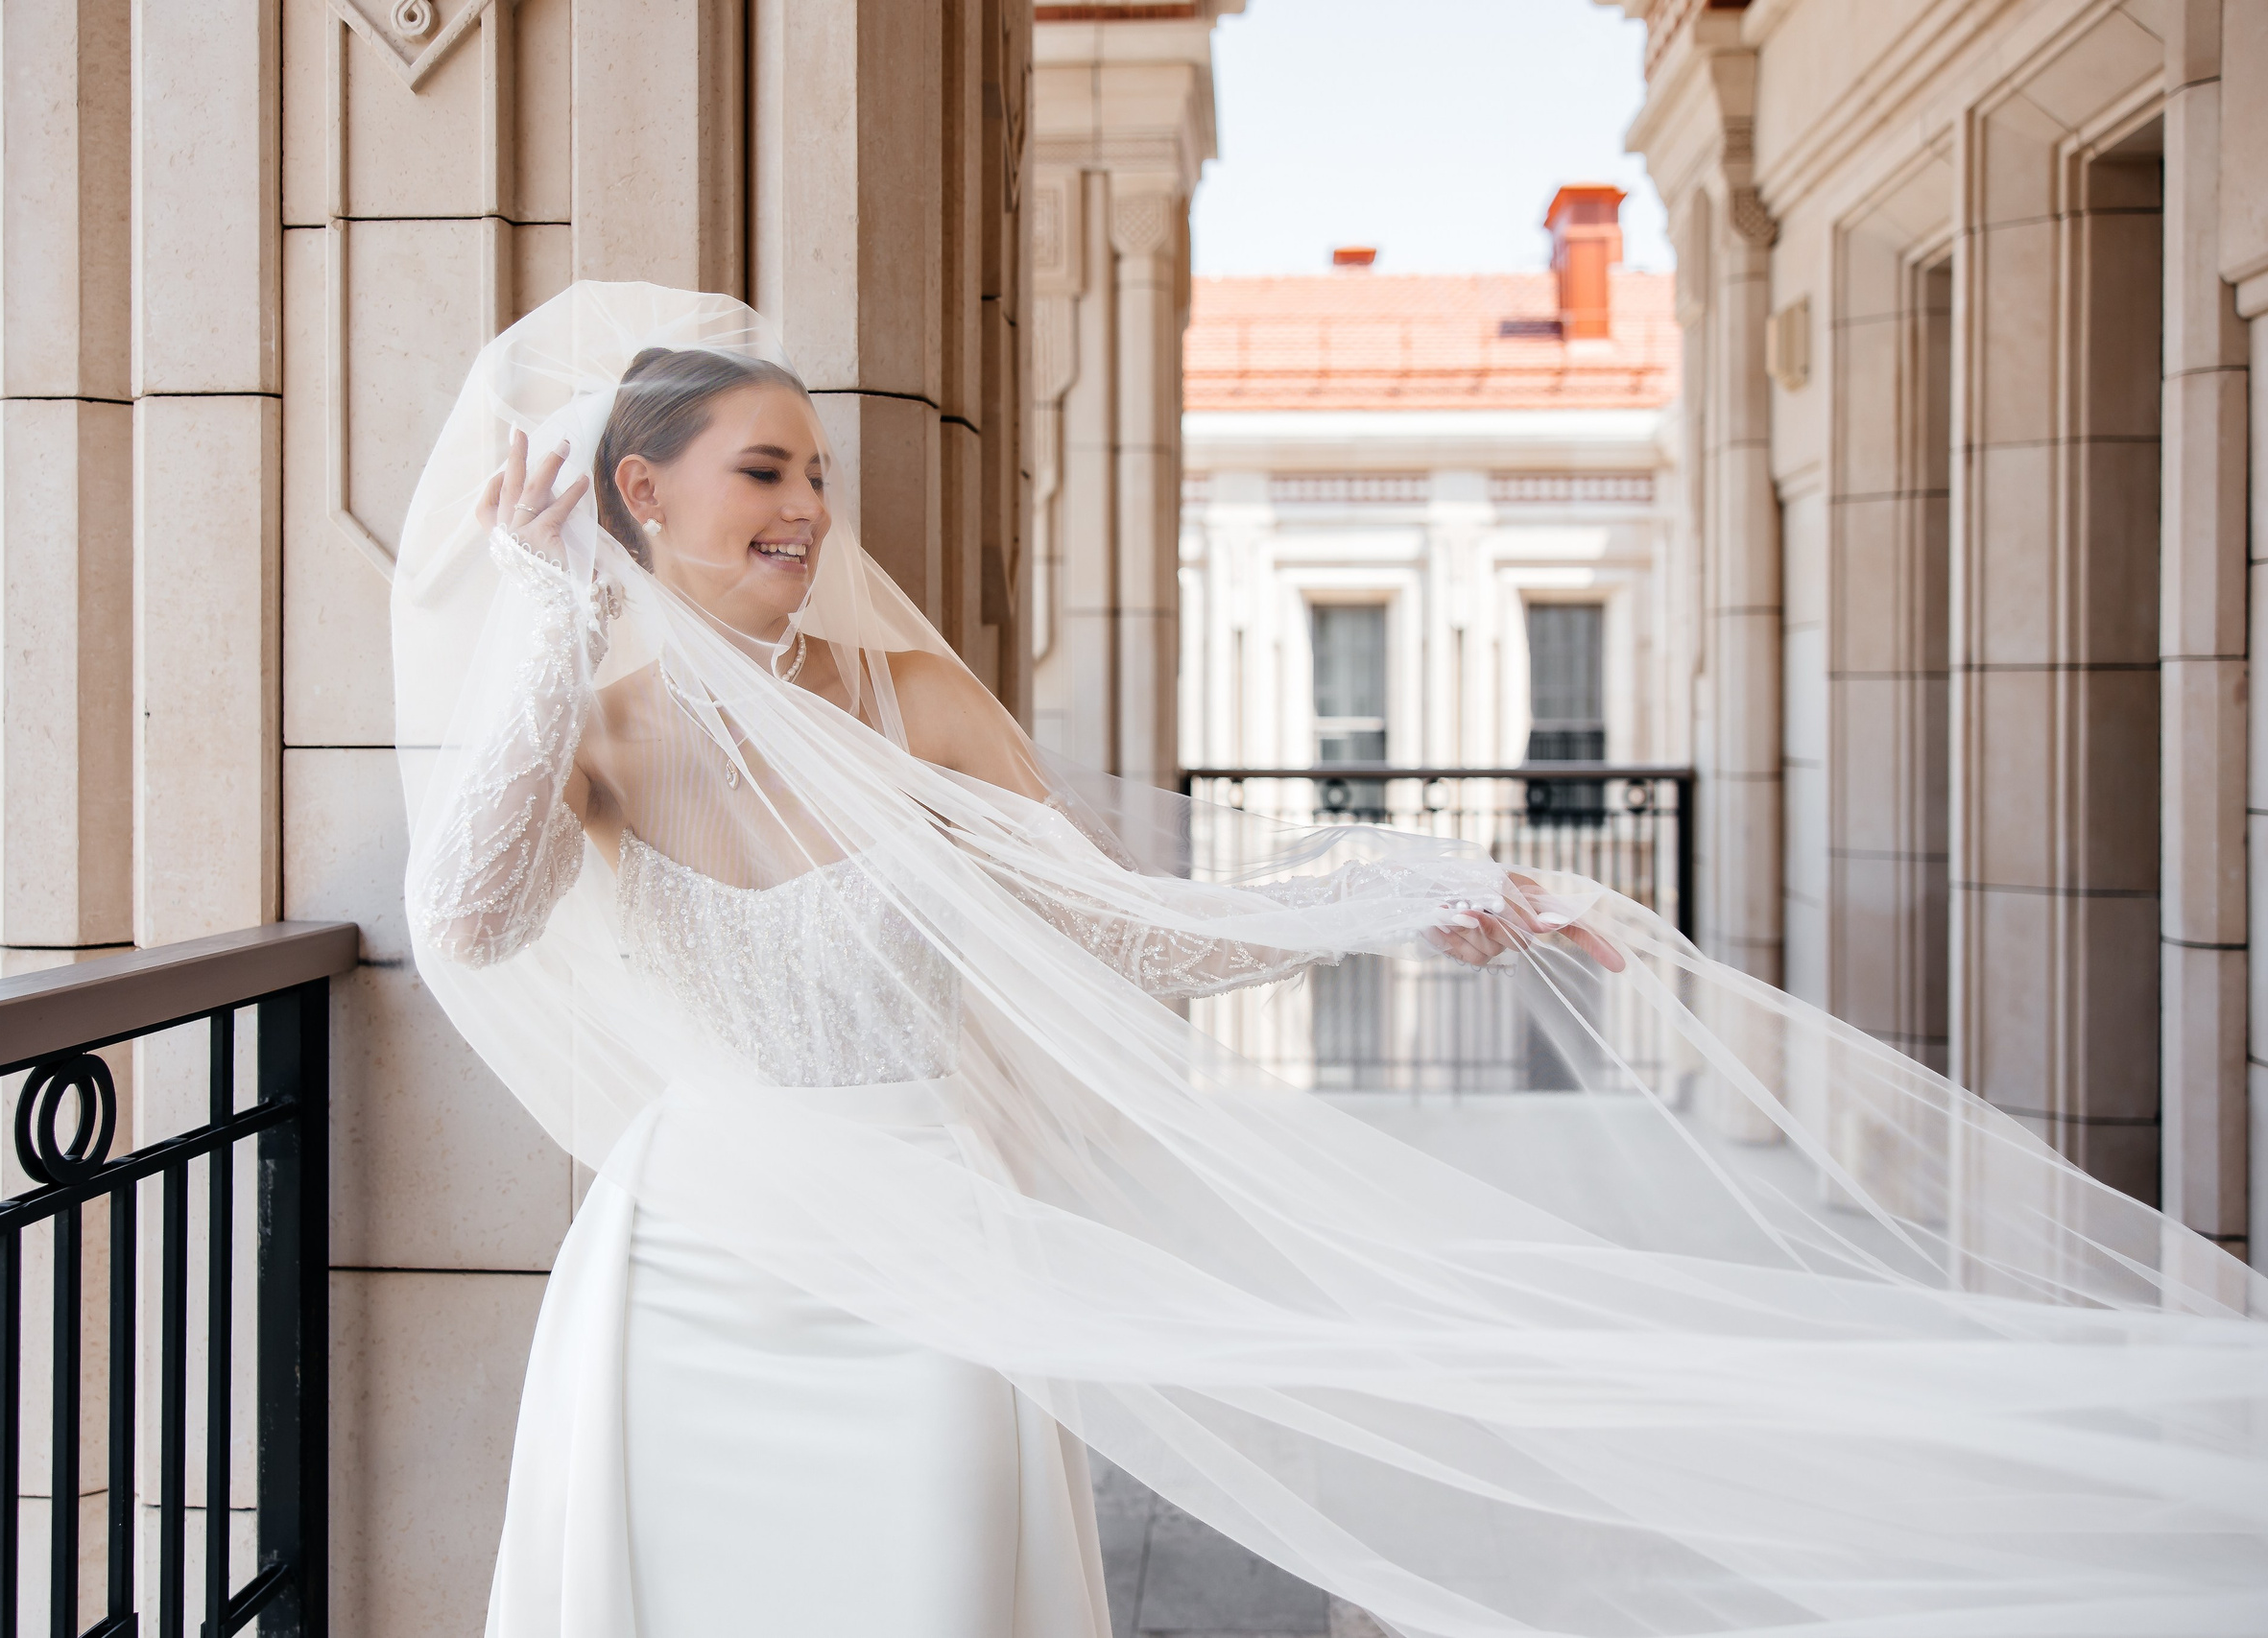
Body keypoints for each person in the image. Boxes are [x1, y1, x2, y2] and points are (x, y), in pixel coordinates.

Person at [395, 283, 2267, 1638]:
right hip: (698, 1265)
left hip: (924, 1267)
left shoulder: (911, 698)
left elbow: (1122, 928)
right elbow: (467, 919)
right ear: (639, 492)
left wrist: (1385, 900)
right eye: (763, 469)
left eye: (817, 470)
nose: (808, 507)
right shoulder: (591, 729)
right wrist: (553, 618)